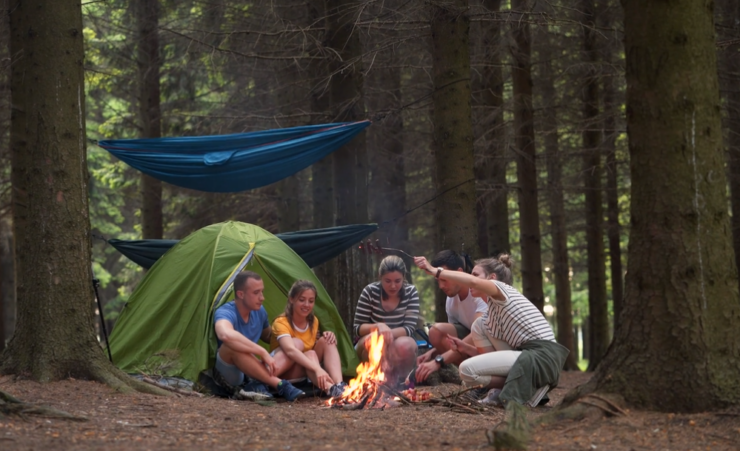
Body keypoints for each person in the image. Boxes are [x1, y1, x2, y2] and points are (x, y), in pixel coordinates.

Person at [414, 255, 569, 407]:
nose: (470, 279)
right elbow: (491, 357)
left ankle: (527, 387)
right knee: (478, 326)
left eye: (474, 274)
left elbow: (473, 282)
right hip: (526, 356)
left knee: (466, 370)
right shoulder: (490, 316)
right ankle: (508, 389)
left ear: (492, 278)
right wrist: (465, 348)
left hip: (543, 357)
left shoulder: (501, 289)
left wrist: (435, 270)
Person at [213, 271, 305, 401]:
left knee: (296, 343)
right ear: (241, 294)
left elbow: (269, 336)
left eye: (262, 292)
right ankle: (280, 385)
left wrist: (302, 332)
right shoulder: (226, 312)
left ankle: (257, 384)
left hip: (253, 371)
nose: (262, 298)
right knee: (231, 345)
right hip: (232, 373)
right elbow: (225, 334)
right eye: (256, 293)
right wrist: (261, 351)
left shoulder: (259, 311)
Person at [414, 250, 497, 384]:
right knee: (436, 332)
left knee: (440, 331)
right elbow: (453, 340)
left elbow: (477, 332)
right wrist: (433, 352)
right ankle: (473, 378)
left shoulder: (479, 293)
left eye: (444, 280)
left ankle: (487, 378)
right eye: (438, 281)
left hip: (491, 344)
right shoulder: (451, 300)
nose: (441, 286)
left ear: (459, 272)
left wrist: (439, 360)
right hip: (472, 346)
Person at [269, 280, 347, 398]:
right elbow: (290, 350)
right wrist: (317, 368)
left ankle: (339, 385)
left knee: (326, 340)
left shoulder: (314, 321)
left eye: (311, 301)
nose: (306, 305)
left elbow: (314, 350)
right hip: (282, 372)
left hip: (304, 371)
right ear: (291, 299)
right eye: (302, 300)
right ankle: (330, 388)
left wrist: (327, 335)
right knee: (300, 345)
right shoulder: (281, 322)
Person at [353, 255, 419, 382]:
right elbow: (358, 328)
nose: (393, 286)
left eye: (397, 281)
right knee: (377, 341)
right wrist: (378, 326)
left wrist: (387, 334)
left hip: (398, 341)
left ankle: (402, 383)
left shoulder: (411, 292)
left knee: (406, 345)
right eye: (387, 281)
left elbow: (409, 329)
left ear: (404, 278)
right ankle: (376, 383)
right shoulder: (370, 291)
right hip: (369, 341)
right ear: (380, 277)